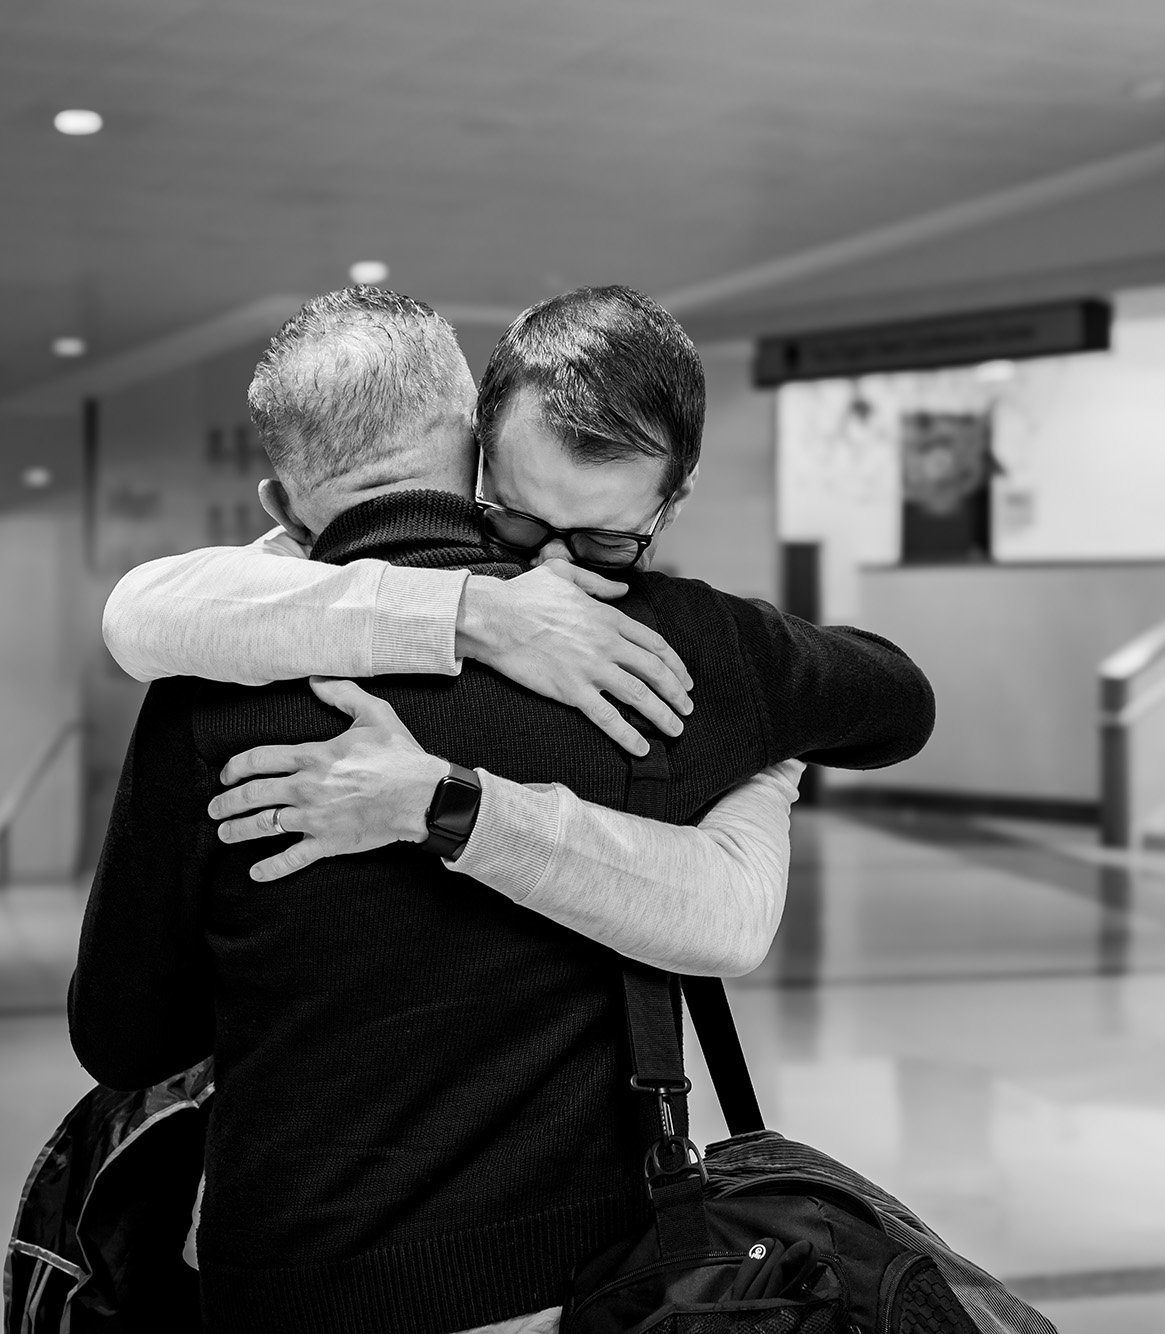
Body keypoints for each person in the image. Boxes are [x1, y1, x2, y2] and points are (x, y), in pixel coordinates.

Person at [70, 286, 935, 1334]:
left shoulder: (207, 690)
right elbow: (893, 701)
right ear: (474, 437)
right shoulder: (677, 652)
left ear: (277, 497)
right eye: (523, 521)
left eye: (605, 542)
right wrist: (759, 747)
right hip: (569, 1277)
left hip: (284, 1266)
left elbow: (126, 1033)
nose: (560, 569)